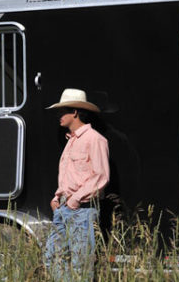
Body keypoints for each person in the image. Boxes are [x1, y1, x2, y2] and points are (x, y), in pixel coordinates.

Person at [43, 88, 110, 281]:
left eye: (63, 111)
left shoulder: (95, 139)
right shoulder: (71, 141)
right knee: (51, 256)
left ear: (74, 112)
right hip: (64, 208)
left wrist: (75, 200)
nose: (59, 115)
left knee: (81, 265)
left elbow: (101, 176)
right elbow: (70, 176)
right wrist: (57, 198)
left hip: (82, 210)